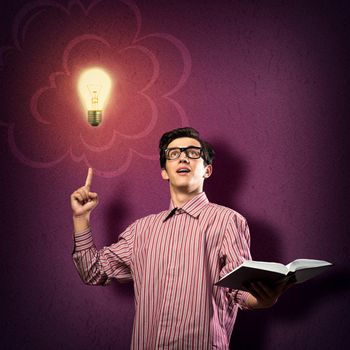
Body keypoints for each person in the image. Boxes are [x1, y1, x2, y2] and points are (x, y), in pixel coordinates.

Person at [71, 127, 291, 349]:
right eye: (173, 153)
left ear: (207, 170)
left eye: (193, 152)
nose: (183, 156)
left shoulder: (228, 221)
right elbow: (92, 271)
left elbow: (239, 290)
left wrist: (263, 299)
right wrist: (81, 218)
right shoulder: (141, 231)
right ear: (164, 171)